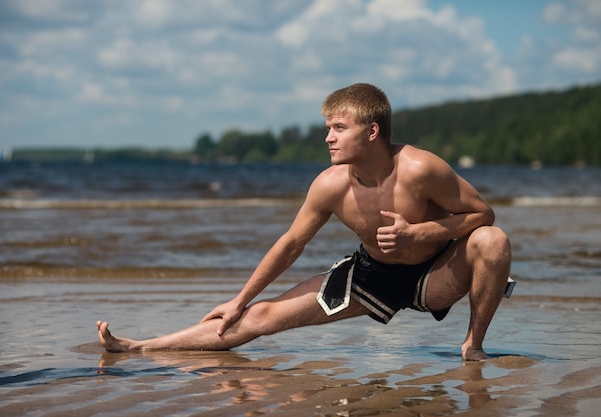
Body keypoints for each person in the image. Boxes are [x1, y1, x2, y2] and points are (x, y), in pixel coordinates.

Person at [97, 83, 511, 361]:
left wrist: (418, 233)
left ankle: (473, 346)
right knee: (256, 318)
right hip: (372, 277)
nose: (327, 137)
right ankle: (138, 347)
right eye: (327, 128)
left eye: (338, 128)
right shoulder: (329, 186)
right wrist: (239, 300)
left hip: (435, 276)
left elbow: (482, 214)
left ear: (371, 131)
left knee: (492, 240)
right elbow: (291, 244)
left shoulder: (421, 168)